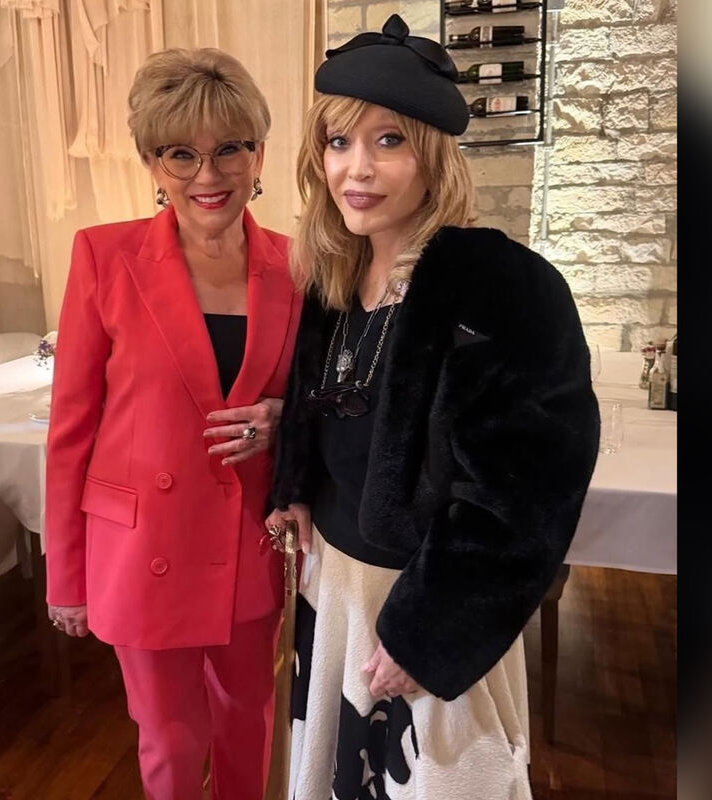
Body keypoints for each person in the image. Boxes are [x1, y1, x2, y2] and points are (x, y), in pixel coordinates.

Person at [265, 15, 600, 799]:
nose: (357, 168)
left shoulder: (502, 285)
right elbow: (325, 408)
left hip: (428, 604)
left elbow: (527, 496)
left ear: (434, 157)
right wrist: (295, 483)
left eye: (389, 141)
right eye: (339, 142)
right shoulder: (332, 277)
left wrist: (429, 634)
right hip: (338, 587)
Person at [44, 47, 302, 800]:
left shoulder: (299, 266)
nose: (207, 175)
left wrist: (284, 419)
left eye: (229, 150)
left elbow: (326, 400)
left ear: (259, 153)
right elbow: (71, 428)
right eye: (180, 154)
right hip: (141, 548)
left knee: (248, 722)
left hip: (247, 541)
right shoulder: (105, 256)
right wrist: (66, 577)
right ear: (152, 163)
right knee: (170, 737)